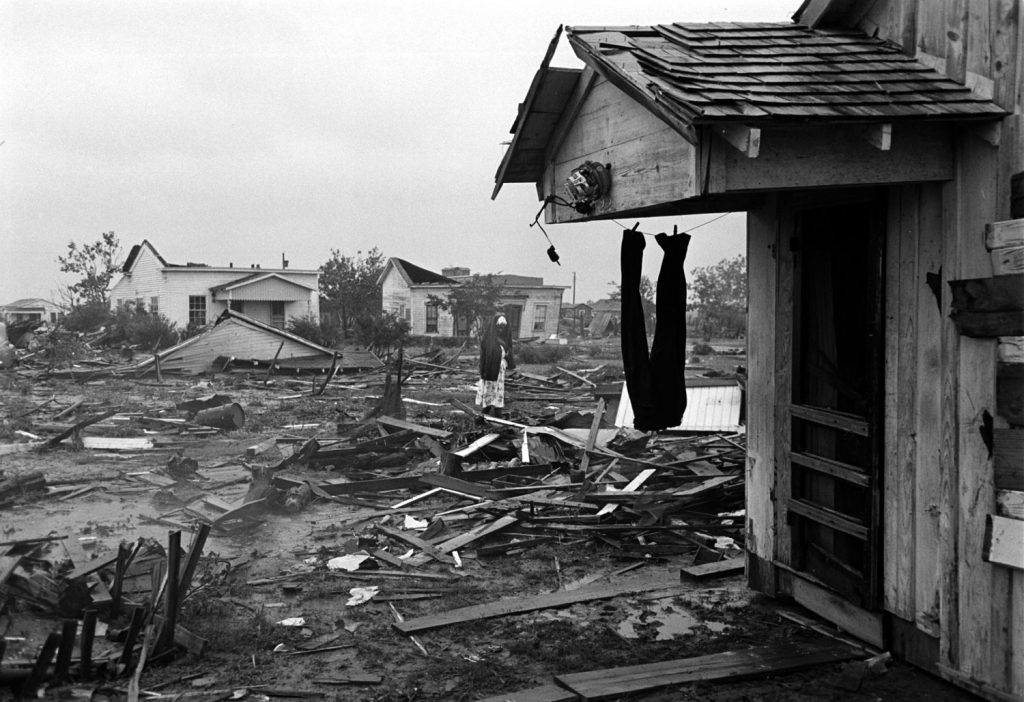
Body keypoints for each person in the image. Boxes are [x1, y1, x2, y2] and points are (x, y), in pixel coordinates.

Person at [476, 313, 515, 417]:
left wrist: (507, 356)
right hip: (490, 369)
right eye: (499, 327)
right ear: (495, 327)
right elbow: (486, 354)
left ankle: (498, 409)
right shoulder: (488, 339)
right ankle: (486, 409)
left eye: (503, 328)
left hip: (500, 370)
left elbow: (508, 351)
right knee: (490, 388)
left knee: (498, 389)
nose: (500, 330)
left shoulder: (504, 340)